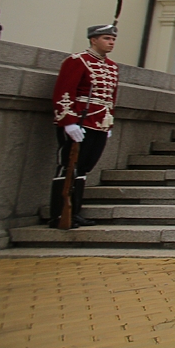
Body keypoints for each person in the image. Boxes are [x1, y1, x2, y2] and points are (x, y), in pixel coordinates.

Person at [49, 24, 119, 228]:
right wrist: (68, 121)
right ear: (93, 40)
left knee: (84, 168)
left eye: (113, 39)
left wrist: (108, 122)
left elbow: (110, 97)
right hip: (79, 121)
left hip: (99, 123)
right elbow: (64, 92)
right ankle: (60, 213)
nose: (111, 42)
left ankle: (75, 211)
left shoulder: (112, 66)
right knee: (69, 166)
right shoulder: (77, 61)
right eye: (107, 38)